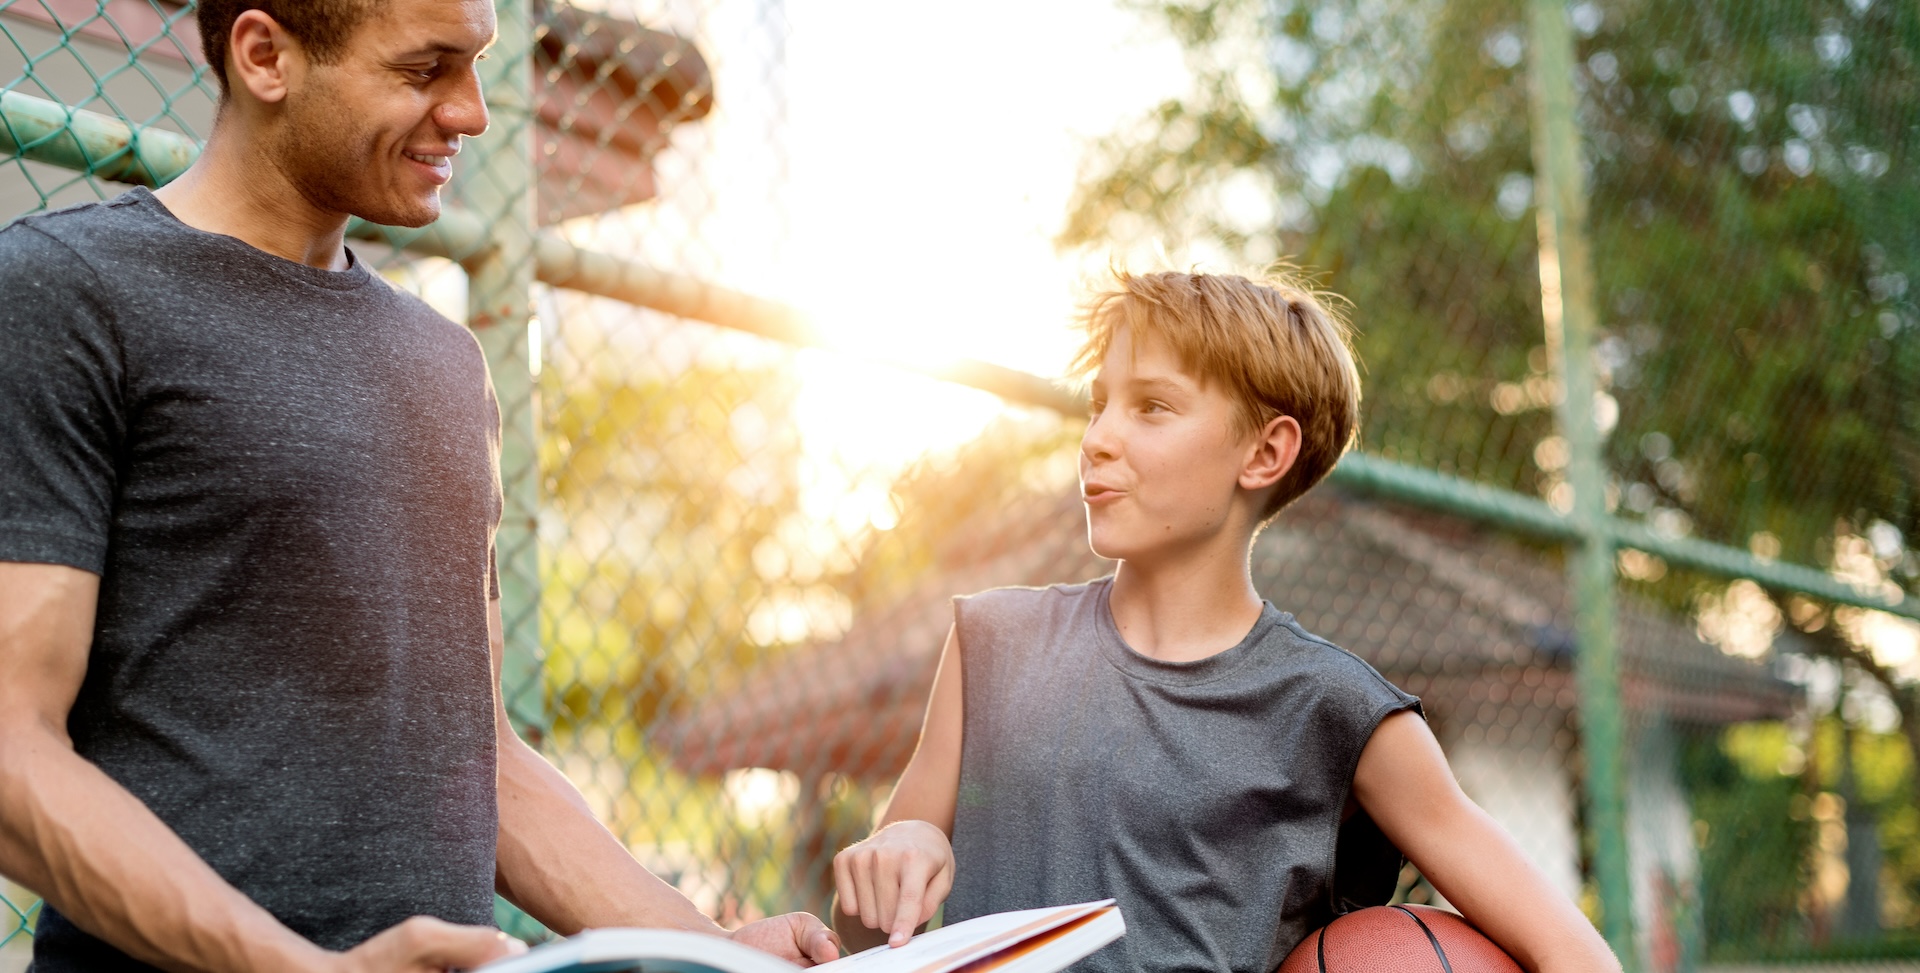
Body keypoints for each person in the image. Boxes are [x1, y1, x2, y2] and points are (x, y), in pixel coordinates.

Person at [0, 2, 838, 970]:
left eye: (477, 65)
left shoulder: (443, 359)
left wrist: (719, 951)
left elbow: (482, 761)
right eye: (425, 69)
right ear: (266, 56)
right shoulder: (62, 291)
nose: (473, 113)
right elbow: (12, 744)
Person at [830, 271, 1622, 973]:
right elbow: (870, 937)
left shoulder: (1338, 708)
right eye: (1100, 403)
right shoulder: (991, 645)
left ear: (1265, 453)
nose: (1098, 437)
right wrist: (893, 859)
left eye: (1152, 407)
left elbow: (1574, 952)